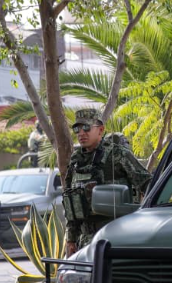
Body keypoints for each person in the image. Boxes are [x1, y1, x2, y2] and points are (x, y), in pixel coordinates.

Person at [62, 108, 151, 256]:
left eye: (86, 128)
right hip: (84, 240)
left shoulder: (117, 154)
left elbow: (147, 184)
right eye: (77, 129)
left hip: (115, 236)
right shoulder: (76, 160)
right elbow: (71, 201)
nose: (81, 133)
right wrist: (71, 239)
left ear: (100, 130)